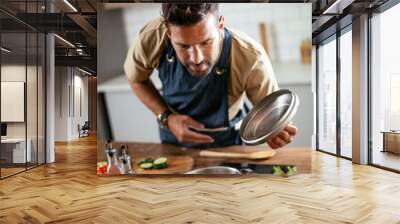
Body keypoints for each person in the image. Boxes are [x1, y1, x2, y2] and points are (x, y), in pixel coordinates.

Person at [124, 3, 297, 149]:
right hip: (173, 141)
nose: (196, 58)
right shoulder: (152, 37)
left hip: (228, 143)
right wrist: (166, 118)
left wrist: (274, 131)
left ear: (220, 24)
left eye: (206, 42)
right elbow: (135, 78)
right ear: (169, 33)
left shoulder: (251, 56)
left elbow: (270, 113)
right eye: (183, 46)